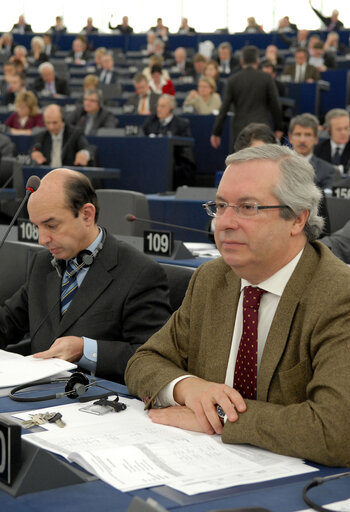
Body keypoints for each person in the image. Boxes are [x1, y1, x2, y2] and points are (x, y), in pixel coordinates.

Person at [125, 143, 350, 468]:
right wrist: (189, 388)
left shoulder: (338, 294)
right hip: (198, 467)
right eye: (220, 206)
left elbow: (337, 431)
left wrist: (221, 417)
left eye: (247, 207)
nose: (223, 223)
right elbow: (143, 361)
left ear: (297, 219)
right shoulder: (211, 279)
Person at [0, 168, 171, 384]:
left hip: (99, 401)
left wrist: (86, 350)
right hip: (36, 399)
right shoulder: (43, 264)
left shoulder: (140, 272)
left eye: (51, 225)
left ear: (87, 215)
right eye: (37, 227)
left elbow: (154, 357)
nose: (42, 239)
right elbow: (7, 323)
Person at [211, 46, 283, 149]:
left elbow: (224, 108)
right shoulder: (267, 78)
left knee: (240, 161)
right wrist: (278, 128)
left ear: (241, 61)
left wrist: (216, 132)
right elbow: (275, 105)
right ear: (257, 61)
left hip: (240, 130)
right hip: (262, 128)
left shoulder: (232, 80)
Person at [143, 94, 196, 188]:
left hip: (174, 160)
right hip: (152, 159)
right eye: (158, 106)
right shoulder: (151, 121)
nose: (159, 109)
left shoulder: (181, 124)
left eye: (162, 106)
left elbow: (186, 148)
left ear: (171, 108)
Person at [288, 113, 337, 192]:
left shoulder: (327, 170)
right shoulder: (278, 167)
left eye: (307, 135)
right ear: (290, 138)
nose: (302, 140)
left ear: (316, 139)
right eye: (298, 134)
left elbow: (327, 202)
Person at [314, 108, 350, 174]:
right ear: (328, 130)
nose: (344, 133)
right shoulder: (318, 150)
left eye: (346, 128)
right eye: (339, 129)